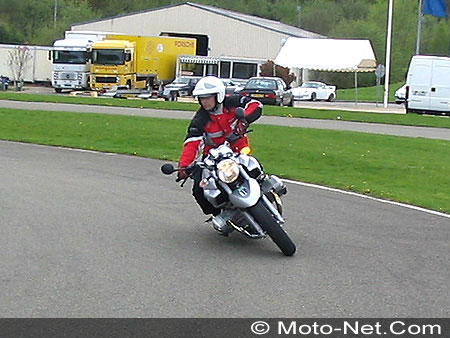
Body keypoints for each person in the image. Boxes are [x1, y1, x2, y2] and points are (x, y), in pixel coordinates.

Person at [177, 76, 263, 216]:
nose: (204, 101)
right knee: (199, 190)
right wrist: (184, 167)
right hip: (213, 159)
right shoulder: (200, 120)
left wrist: (244, 120)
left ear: (219, 95)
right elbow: (192, 144)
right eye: (201, 98)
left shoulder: (233, 102)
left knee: (255, 170)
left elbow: (255, 105)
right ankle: (219, 215)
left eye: (208, 97)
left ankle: (269, 192)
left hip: (239, 152)